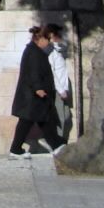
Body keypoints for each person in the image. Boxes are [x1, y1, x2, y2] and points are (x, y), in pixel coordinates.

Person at [9, 25, 66, 158]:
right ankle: (54, 145)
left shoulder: (34, 51)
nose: (48, 43)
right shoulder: (34, 52)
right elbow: (33, 72)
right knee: (33, 120)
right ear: (41, 39)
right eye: (48, 40)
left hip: (32, 95)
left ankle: (17, 149)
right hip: (33, 95)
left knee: (40, 119)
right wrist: (38, 88)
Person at [44, 23, 72, 145]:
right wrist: (61, 90)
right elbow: (52, 73)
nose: (61, 36)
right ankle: (57, 144)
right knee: (60, 118)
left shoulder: (57, 50)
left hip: (63, 89)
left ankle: (60, 142)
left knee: (66, 116)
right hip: (57, 90)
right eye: (58, 34)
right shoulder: (51, 52)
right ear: (51, 35)